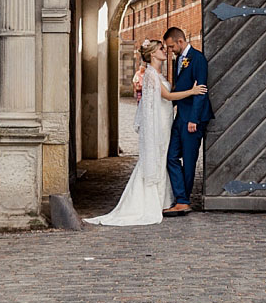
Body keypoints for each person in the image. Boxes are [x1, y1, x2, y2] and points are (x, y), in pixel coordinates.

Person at [84, 39, 206, 226]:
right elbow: (168, 96)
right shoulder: (150, 75)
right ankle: (149, 201)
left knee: (164, 158)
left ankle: (165, 199)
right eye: (161, 49)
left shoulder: (158, 73)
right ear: (152, 54)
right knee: (155, 159)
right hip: (158, 126)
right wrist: (193, 91)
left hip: (165, 123)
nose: (165, 51)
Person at [161, 27, 213, 217]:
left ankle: (183, 201)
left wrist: (194, 119)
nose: (170, 50)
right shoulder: (178, 60)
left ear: (180, 41)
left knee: (189, 161)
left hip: (193, 118)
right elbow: (180, 88)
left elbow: (200, 90)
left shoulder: (198, 59)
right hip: (180, 116)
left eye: (171, 46)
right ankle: (181, 196)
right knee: (171, 157)